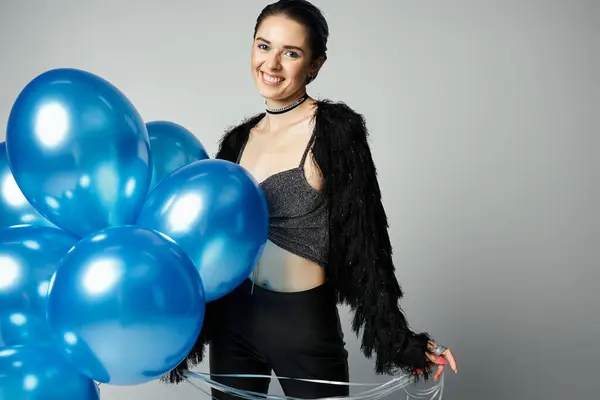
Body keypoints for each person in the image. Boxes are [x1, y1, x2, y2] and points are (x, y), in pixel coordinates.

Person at [161, 0, 458, 398]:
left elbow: (366, 241)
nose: (272, 64)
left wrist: (399, 339)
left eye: (291, 53)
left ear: (314, 65)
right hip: (233, 321)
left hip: (300, 324)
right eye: (264, 46)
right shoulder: (237, 142)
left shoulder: (335, 132)